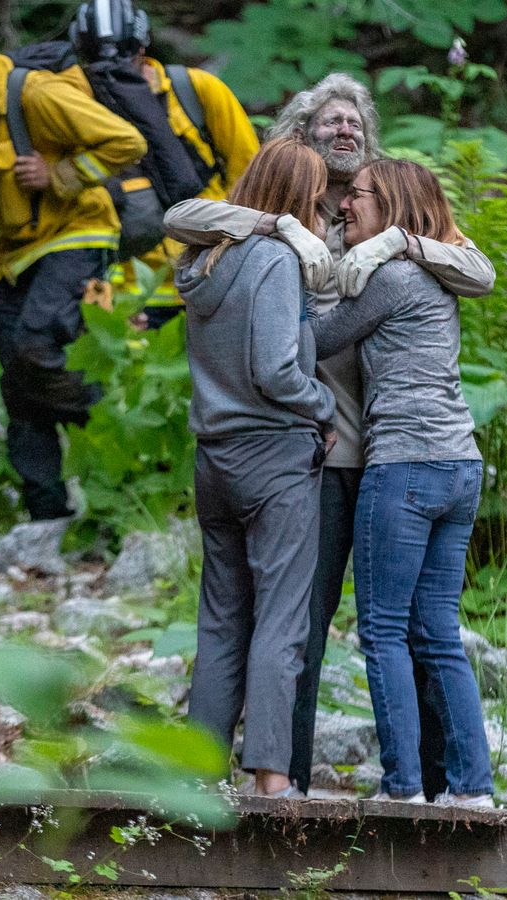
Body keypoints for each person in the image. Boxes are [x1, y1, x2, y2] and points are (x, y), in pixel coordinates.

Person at [162, 72, 495, 796]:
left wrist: (398, 244)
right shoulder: (283, 220)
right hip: (313, 446)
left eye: (354, 121)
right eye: (329, 122)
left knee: (404, 625)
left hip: (387, 451)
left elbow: (477, 267)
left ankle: (438, 782)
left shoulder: (384, 213)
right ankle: (293, 779)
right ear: (300, 137)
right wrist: (277, 224)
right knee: (302, 624)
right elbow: (184, 215)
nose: (344, 131)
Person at [0, 0, 146, 522]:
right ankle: (47, 514)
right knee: (16, 382)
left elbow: (127, 142)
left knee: (37, 343)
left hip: (78, 233)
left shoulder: (37, 94)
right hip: (14, 253)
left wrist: (60, 172)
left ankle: (104, 419)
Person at [310, 158, 493, 806]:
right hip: (460, 464)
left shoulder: (390, 276)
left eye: (356, 197)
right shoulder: (435, 270)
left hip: (405, 465)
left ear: (388, 203)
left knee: (383, 630)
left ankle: (404, 788)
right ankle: (473, 790)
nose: (344, 207)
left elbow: (319, 340)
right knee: (438, 631)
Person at [177, 138, 335, 797]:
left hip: (213, 458)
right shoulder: (274, 260)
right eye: (320, 198)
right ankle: (272, 777)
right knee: (282, 617)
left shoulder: (204, 260)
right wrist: (323, 404)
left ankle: (197, 771)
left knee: (221, 618)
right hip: (273, 457)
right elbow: (275, 370)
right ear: (302, 201)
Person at [68, 0, 258, 327]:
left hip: (206, 277)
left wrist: (231, 258)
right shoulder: (75, 109)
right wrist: (99, 310)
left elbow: (252, 175)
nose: (110, 71)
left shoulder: (195, 91)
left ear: (142, 48)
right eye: (96, 61)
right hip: (126, 294)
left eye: (124, 57)